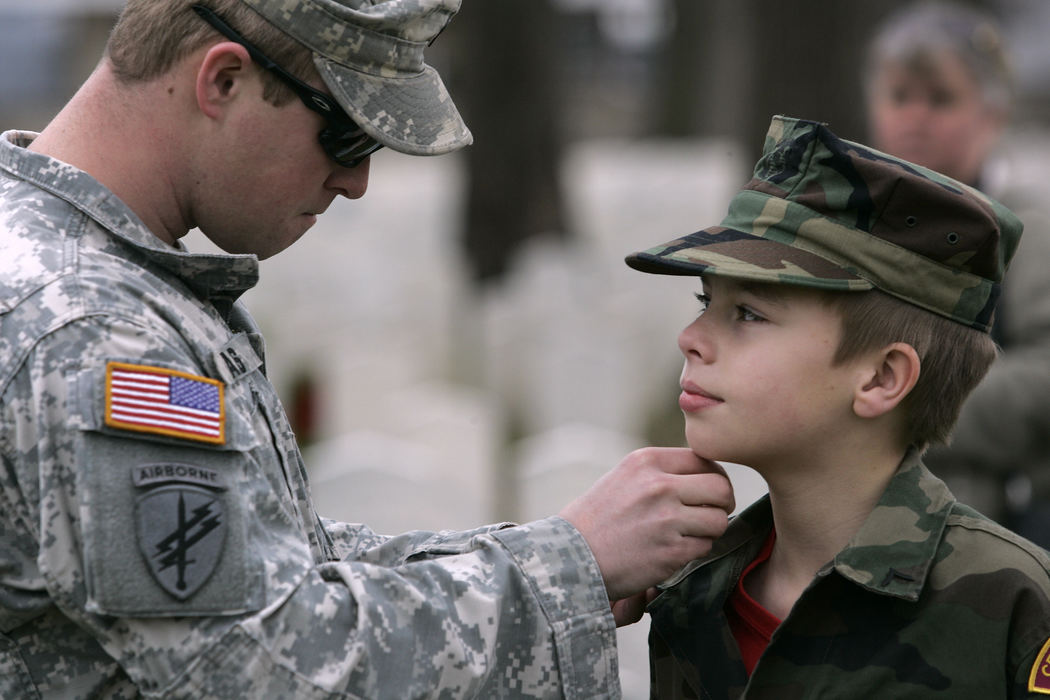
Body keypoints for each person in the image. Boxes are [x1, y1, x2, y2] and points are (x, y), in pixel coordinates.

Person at [0, 1, 737, 697]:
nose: (356, 181)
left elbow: (267, 561)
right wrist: (567, 568)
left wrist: (559, 552)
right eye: (347, 134)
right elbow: (256, 667)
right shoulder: (92, 329)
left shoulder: (86, 273)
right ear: (223, 80)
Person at [624, 115, 1050, 698]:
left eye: (748, 313)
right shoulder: (686, 594)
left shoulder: (1009, 604)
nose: (691, 337)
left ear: (880, 377)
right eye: (705, 300)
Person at [864, 0, 1050, 547]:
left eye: (942, 99)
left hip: (990, 531)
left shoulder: (1024, 231)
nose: (916, 117)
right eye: (900, 96)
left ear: (991, 115)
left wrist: (899, 406)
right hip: (858, 522)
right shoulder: (850, 229)